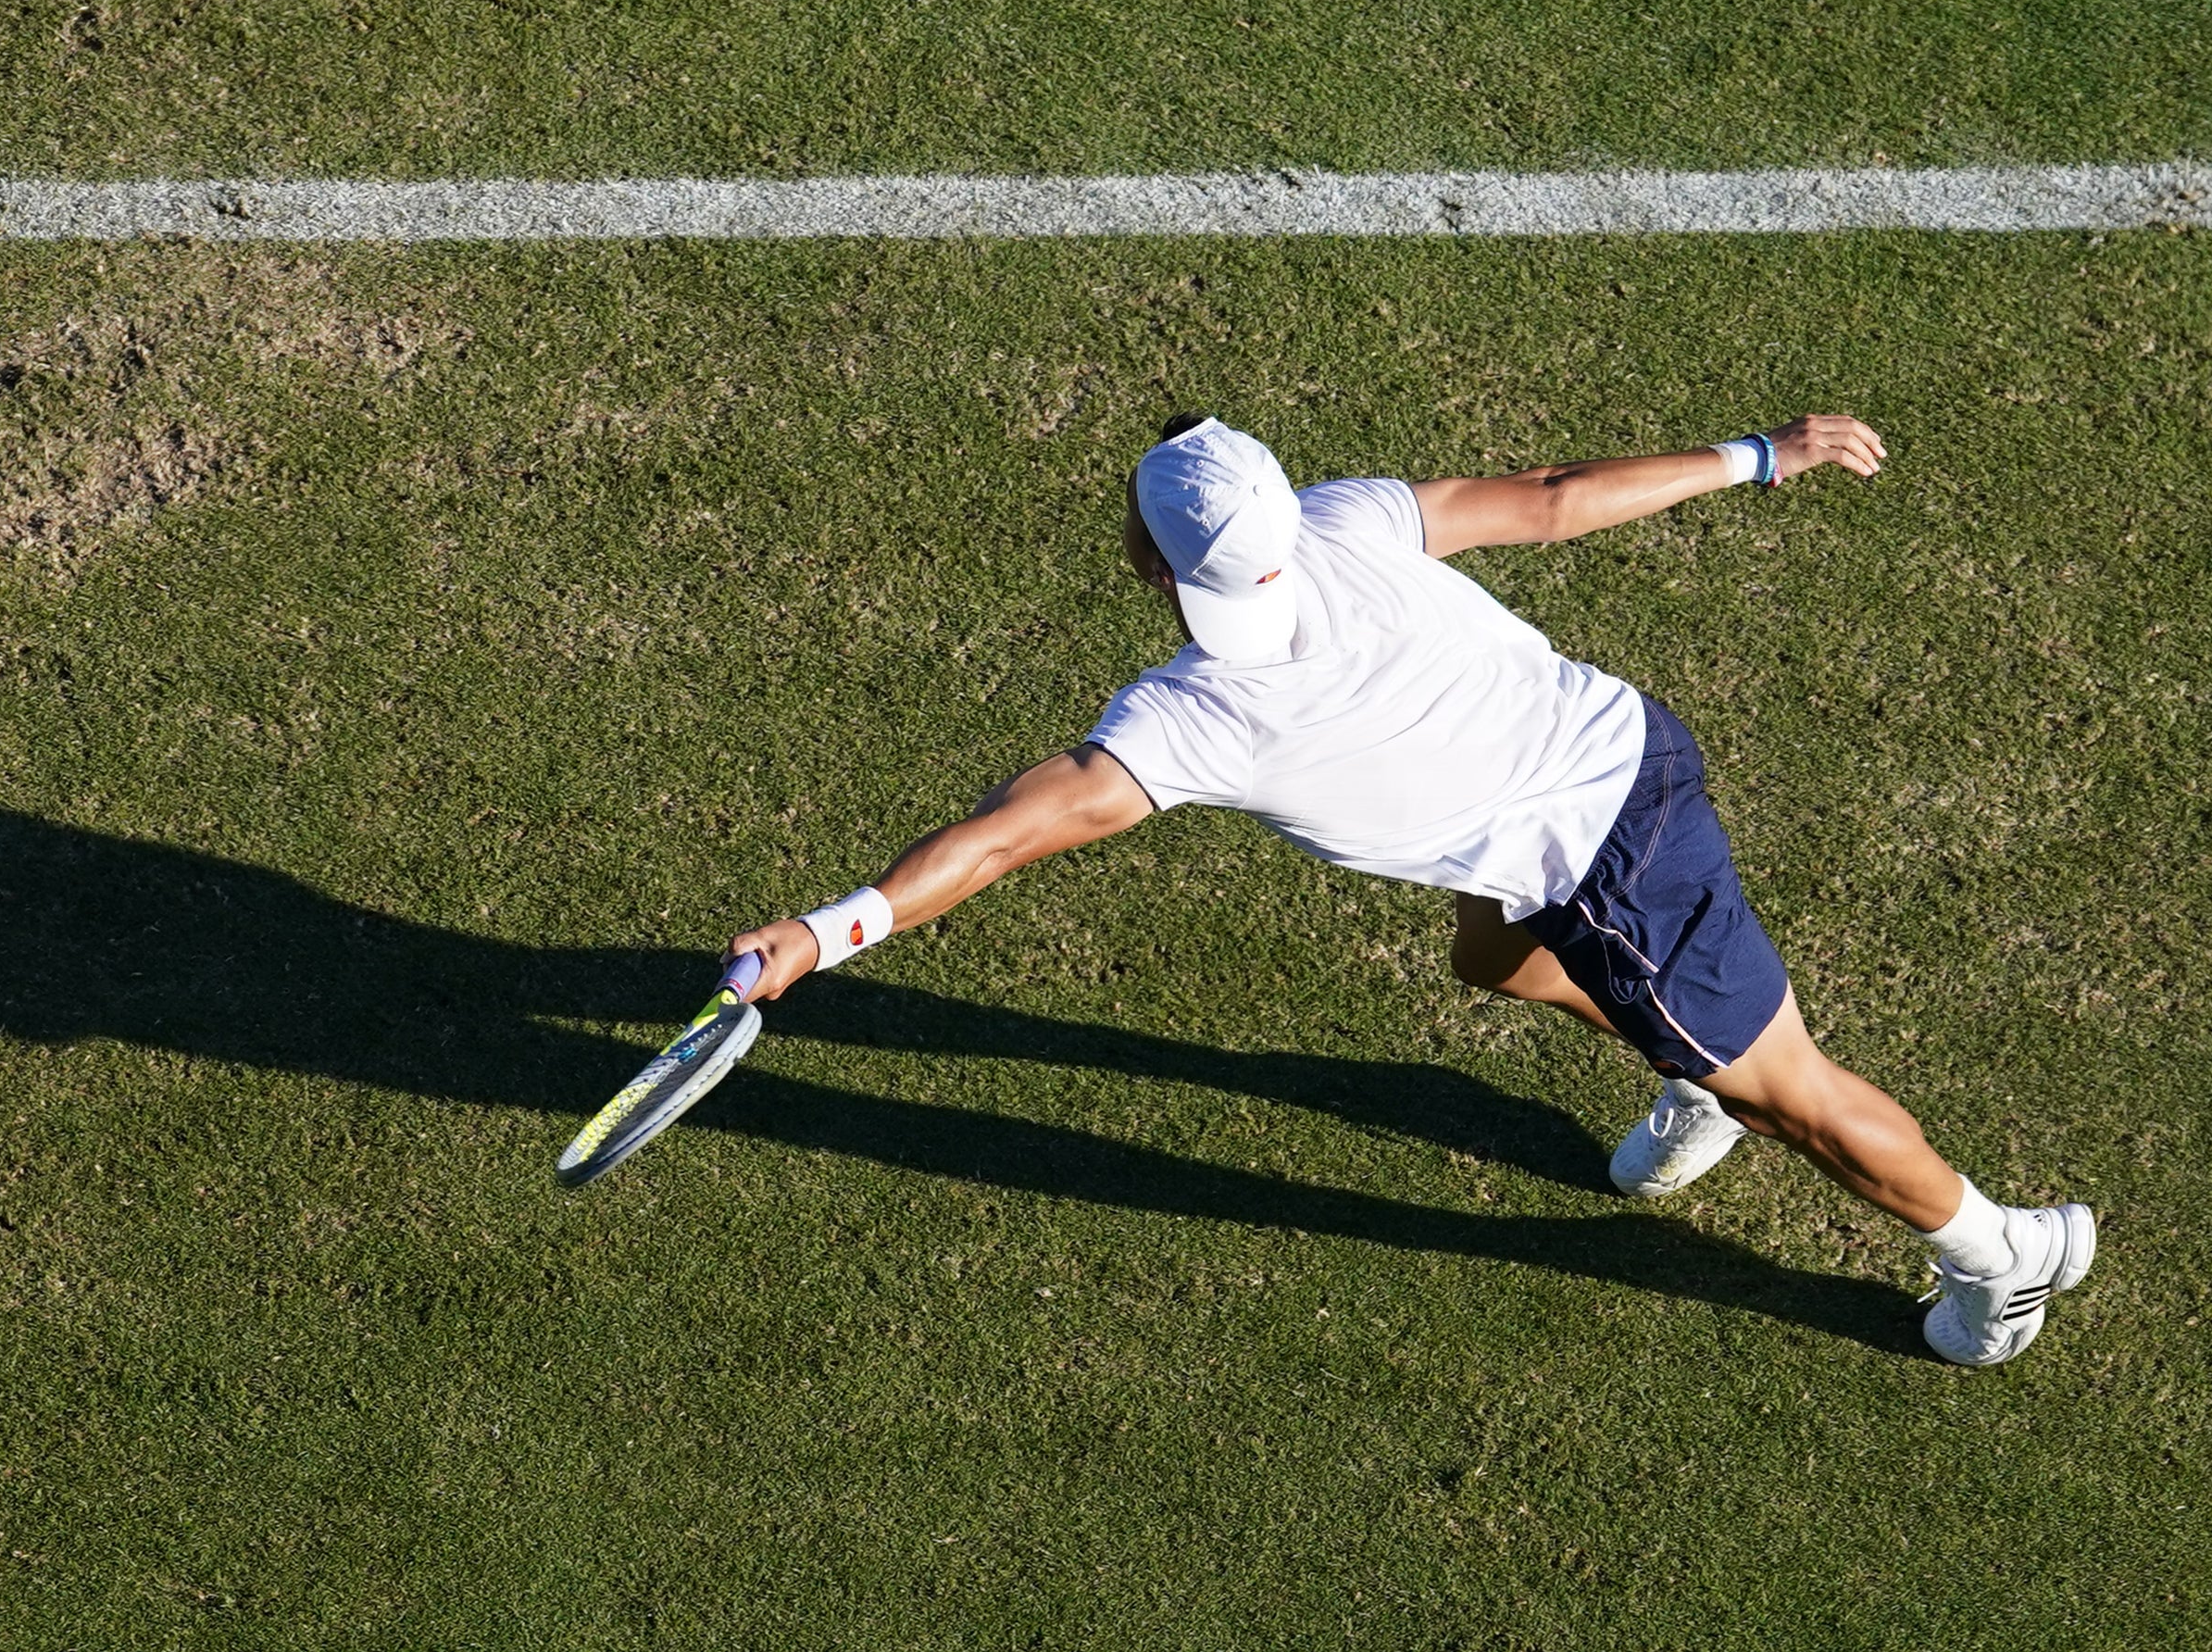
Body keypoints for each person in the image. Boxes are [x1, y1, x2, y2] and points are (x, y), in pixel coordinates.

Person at [724, 412, 2093, 1367]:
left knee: (1788, 1089)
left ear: (1154, 567)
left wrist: (826, 931)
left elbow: (1004, 836)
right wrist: (1755, 456)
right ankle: (1690, 1072)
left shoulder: (1192, 717)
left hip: (1602, 851)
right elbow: (1549, 500)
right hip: (1607, 751)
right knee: (1494, 966)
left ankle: (1998, 1251)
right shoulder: (1343, 521)